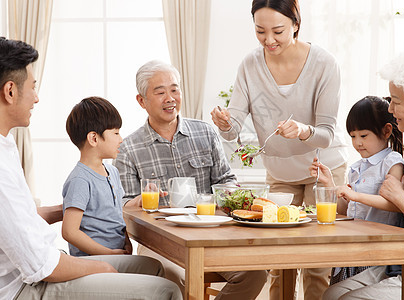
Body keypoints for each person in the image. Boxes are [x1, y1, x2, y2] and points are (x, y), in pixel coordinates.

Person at [0, 37, 182, 299]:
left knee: (151, 267)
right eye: (33, 87)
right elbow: (41, 265)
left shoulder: (7, 146)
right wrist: (101, 264)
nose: (37, 98)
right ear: (10, 91)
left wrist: (74, 209)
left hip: (46, 262)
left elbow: (18, 218)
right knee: (168, 291)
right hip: (26, 285)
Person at [210, 0, 348, 299]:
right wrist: (224, 123)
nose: (268, 40)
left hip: (321, 169)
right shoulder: (250, 64)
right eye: (260, 31)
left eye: (278, 31)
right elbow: (234, 127)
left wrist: (301, 131)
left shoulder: (324, 63)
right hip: (281, 172)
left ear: (296, 24)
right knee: (276, 259)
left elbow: (326, 134)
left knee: (316, 261)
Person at [113, 60, 267, 299]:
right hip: (160, 243)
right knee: (171, 278)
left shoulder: (205, 132)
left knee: (254, 273)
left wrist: (235, 197)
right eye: (160, 91)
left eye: (174, 89)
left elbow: (226, 179)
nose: (170, 98)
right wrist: (139, 201)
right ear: (141, 101)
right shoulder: (128, 149)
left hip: (211, 236)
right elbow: (123, 206)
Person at [323, 52, 404, 300]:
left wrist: (399, 197)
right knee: (332, 294)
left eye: (396, 101)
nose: (390, 108)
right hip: (401, 262)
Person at [309, 96, 404, 284]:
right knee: (336, 291)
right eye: (353, 136)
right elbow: (346, 209)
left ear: (386, 131)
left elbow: (395, 203)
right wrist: (329, 183)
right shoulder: (356, 168)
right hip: (352, 246)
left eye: (363, 135)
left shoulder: (392, 162)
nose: (357, 142)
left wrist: (357, 195)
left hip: (377, 251)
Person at [62, 97, 133, 257]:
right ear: (94, 138)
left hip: (115, 256)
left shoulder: (112, 172)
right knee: (157, 269)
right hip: (95, 261)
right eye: (116, 133)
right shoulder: (80, 180)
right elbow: (69, 232)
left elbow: (117, 216)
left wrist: (126, 241)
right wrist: (108, 253)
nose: (121, 139)